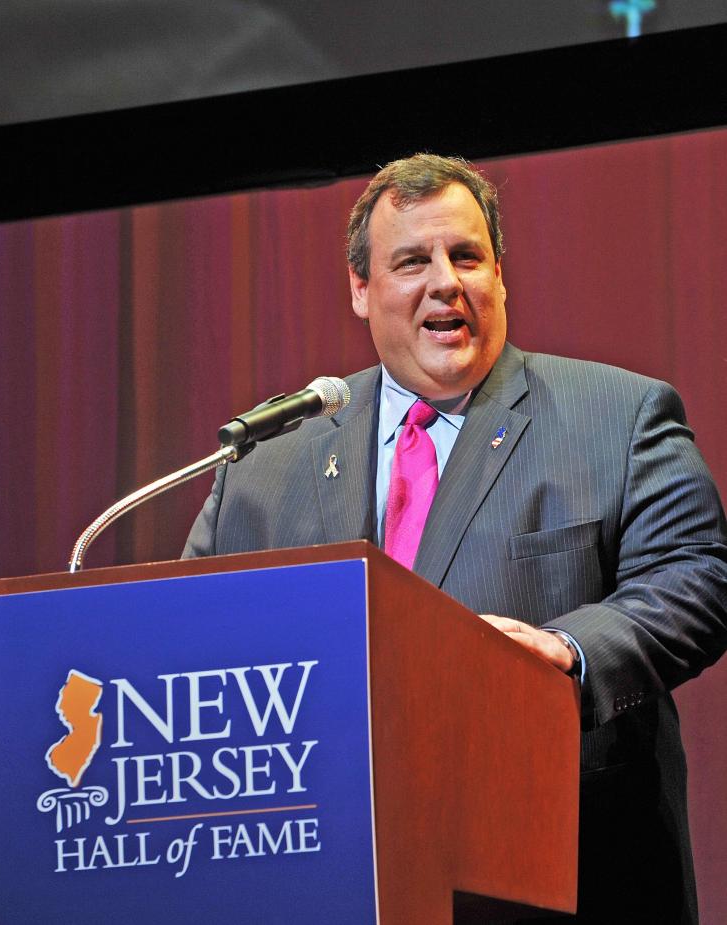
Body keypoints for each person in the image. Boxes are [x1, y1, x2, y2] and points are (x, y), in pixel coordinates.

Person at [184, 154, 727, 923]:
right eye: (412, 261)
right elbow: (185, 643)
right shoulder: (267, 467)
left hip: (565, 878)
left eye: (466, 256)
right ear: (361, 290)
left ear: (499, 276)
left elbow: (695, 578)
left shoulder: (620, 415)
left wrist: (564, 652)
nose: (446, 282)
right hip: (327, 878)